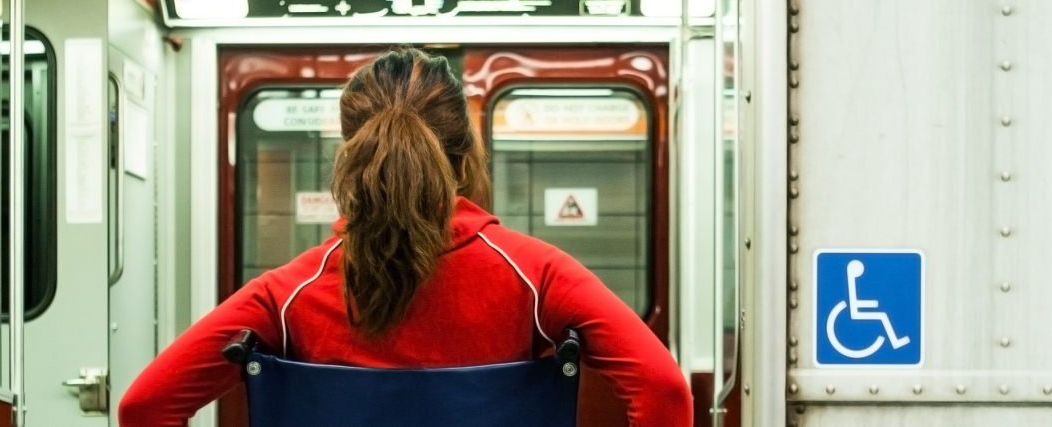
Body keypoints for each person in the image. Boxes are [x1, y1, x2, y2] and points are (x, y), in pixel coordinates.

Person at [118, 48, 693, 427]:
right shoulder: (537, 276)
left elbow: (144, 407)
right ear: (465, 154)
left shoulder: (287, 293)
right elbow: (665, 392)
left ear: (350, 151)